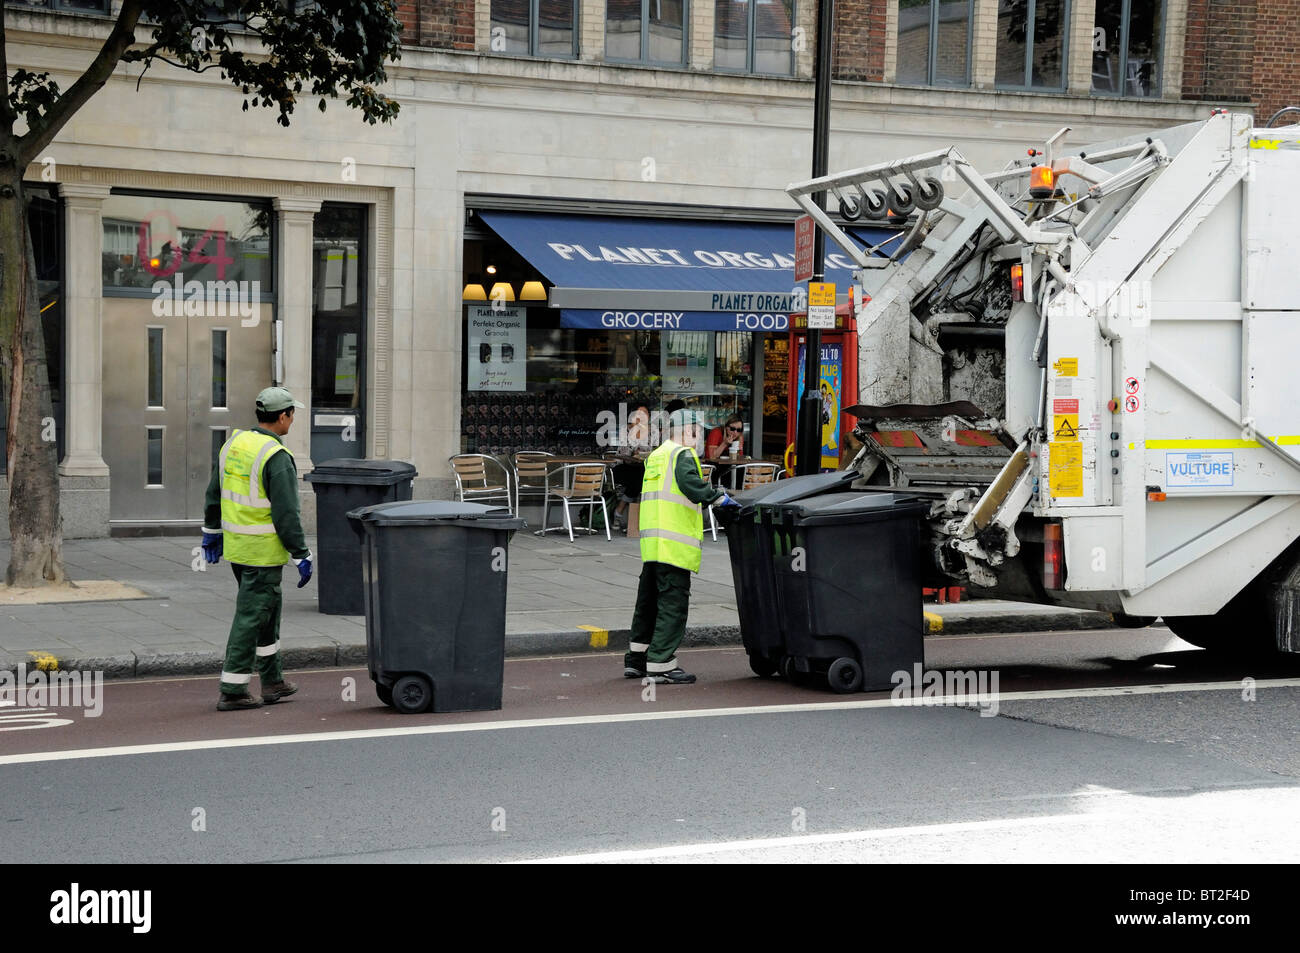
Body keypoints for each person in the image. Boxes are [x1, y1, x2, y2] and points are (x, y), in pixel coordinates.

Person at [201, 387, 314, 711]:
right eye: (292, 415)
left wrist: (211, 532)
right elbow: (286, 514)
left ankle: (273, 680)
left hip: (238, 548)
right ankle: (233, 689)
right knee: (251, 617)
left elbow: (214, 492)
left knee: (267, 614)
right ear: (282, 416)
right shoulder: (276, 457)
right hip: (263, 553)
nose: (292, 420)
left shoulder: (234, 444)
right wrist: (301, 553)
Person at [623, 410, 738, 684]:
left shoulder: (657, 455)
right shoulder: (682, 455)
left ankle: (636, 660)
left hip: (652, 545)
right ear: (690, 431)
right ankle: (661, 664)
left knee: (647, 605)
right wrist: (718, 498)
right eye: (697, 431)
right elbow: (691, 486)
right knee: (672, 605)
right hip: (674, 545)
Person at [612, 403, 652, 532]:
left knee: (642, 476)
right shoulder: (626, 430)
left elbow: (653, 450)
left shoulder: (652, 432)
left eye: (645, 413)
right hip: (623, 466)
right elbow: (624, 454)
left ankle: (620, 512)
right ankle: (634, 519)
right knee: (639, 479)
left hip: (641, 467)